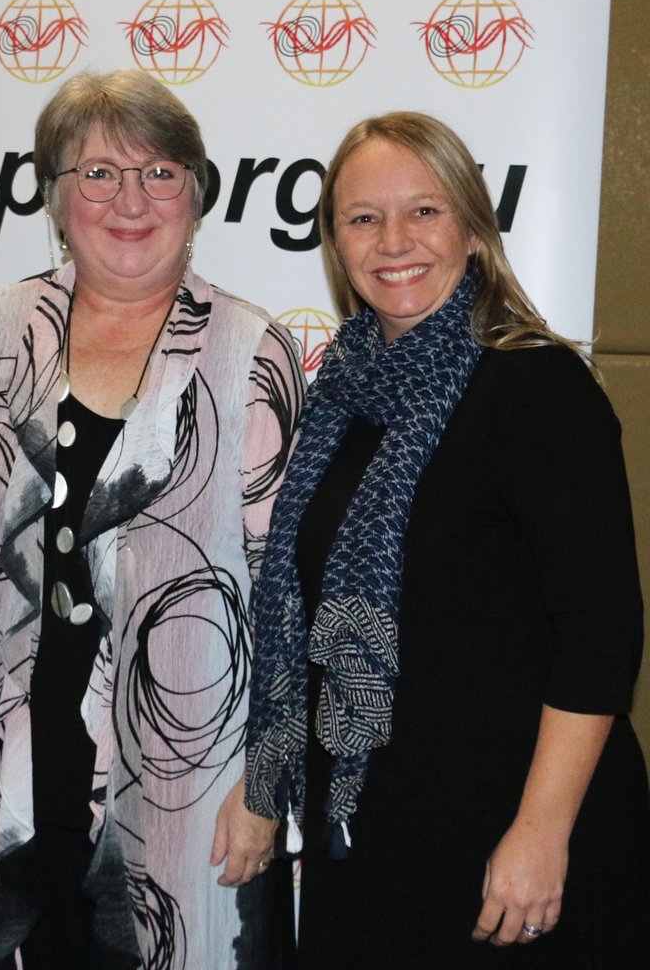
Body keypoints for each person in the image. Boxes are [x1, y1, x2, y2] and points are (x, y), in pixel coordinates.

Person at [244, 111, 650, 967]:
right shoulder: (342, 397)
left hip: (512, 841)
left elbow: (600, 637)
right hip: (371, 834)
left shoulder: (536, 389)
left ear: (471, 227)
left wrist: (540, 833)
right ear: (335, 242)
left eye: (423, 211)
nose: (394, 240)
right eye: (363, 218)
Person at [0, 69, 305, 967]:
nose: (129, 200)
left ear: (198, 194)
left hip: (189, 783)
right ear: (55, 199)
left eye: (160, 173)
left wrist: (269, 775)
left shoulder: (252, 350)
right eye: (96, 174)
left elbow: (289, 590)